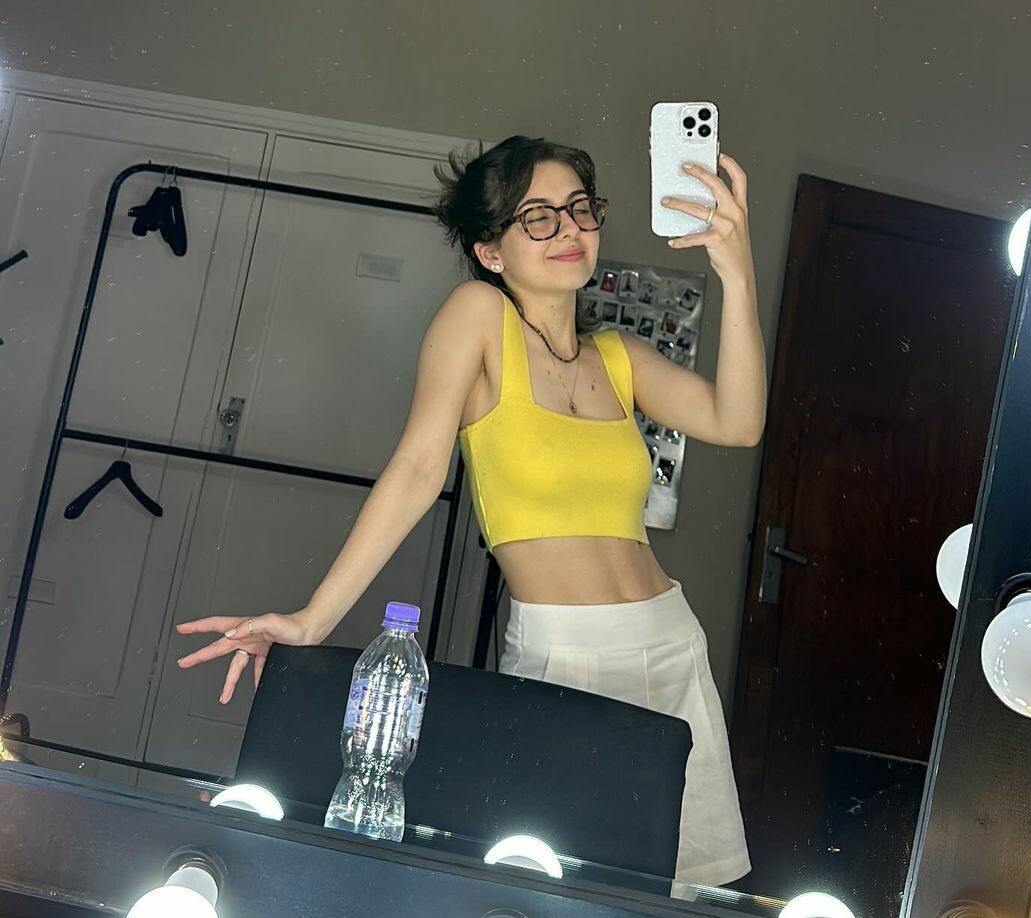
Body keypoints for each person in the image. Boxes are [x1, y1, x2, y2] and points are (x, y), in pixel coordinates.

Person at [177, 134, 767, 887]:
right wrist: (311, 621)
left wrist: (737, 271)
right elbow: (419, 469)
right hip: (562, 655)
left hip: (670, 642)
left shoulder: (620, 357)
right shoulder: (479, 316)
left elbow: (738, 423)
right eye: (537, 217)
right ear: (491, 251)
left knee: (686, 890)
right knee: (563, 886)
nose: (568, 229)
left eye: (579, 209)